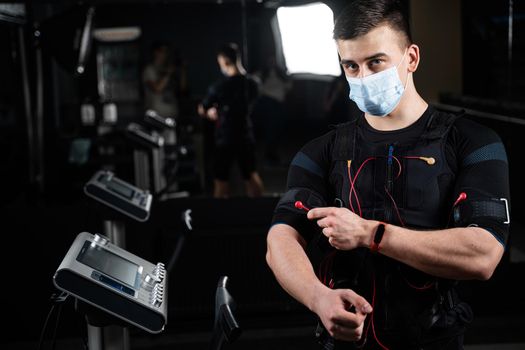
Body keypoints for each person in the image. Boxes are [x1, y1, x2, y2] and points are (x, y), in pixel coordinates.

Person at [266, 1, 510, 349]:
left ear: (411, 58)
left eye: (375, 62)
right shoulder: (322, 151)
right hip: (348, 339)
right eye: (351, 66)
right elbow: (280, 241)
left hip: (433, 337)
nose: (363, 77)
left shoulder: (473, 143)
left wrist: (370, 233)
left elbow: (483, 254)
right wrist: (318, 298)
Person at [198, 43, 264, 198]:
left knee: (221, 180)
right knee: (251, 175)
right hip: (245, 134)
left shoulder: (220, 86)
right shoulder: (253, 84)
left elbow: (202, 108)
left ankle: (219, 216)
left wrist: (210, 112)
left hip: (225, 137)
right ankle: (262, 211)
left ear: (224, 61)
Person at [143, 42, 186, 118]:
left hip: (172, 115)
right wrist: (168, 73)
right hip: (156, 116)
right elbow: (157, 89)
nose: (165, 54)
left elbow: (182, 89)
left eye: (167, 51)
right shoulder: (149, 70)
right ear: (155, 52)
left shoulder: (169, 68)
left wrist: (183, 70)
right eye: (162, 51)